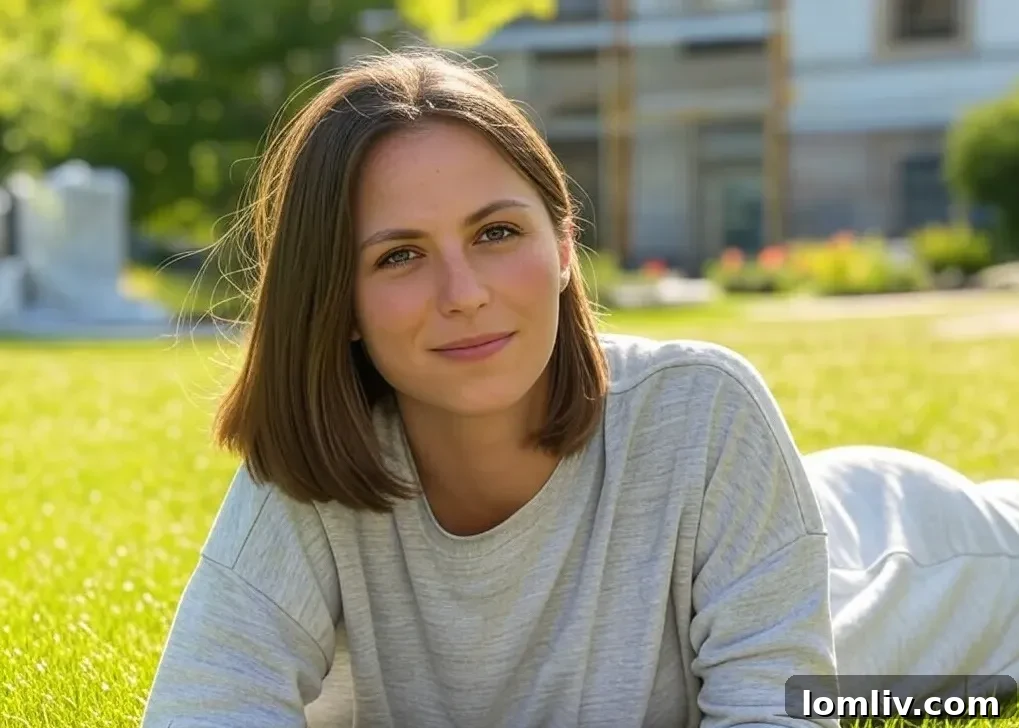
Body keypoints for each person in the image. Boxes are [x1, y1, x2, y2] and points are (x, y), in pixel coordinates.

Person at [139, 49, 1018, 727]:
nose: (464, 292)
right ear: (340, 300)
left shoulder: (701, 409)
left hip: (905, 557)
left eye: (495, 231)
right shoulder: (310, 473)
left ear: (562, 247)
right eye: (398, 255)